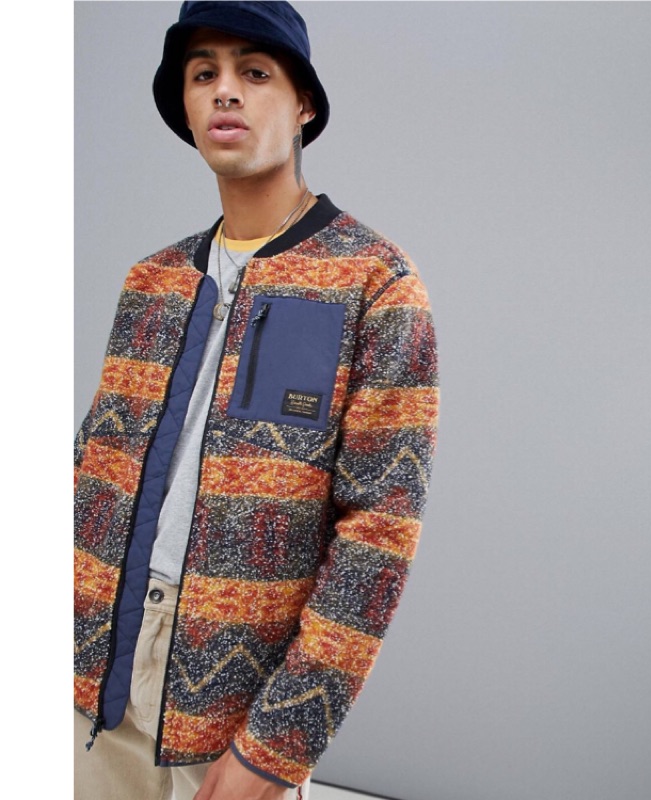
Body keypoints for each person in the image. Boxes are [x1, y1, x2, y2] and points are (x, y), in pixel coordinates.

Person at [73, 3, 439, 799]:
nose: (224, 91)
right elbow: (90, 476)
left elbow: (379, 533)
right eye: (203, 73)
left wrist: (282, 743)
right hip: (87, 674)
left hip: (232, 705)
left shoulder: (375, 282)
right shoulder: (152, 282)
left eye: (254, 72)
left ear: (304, 102)